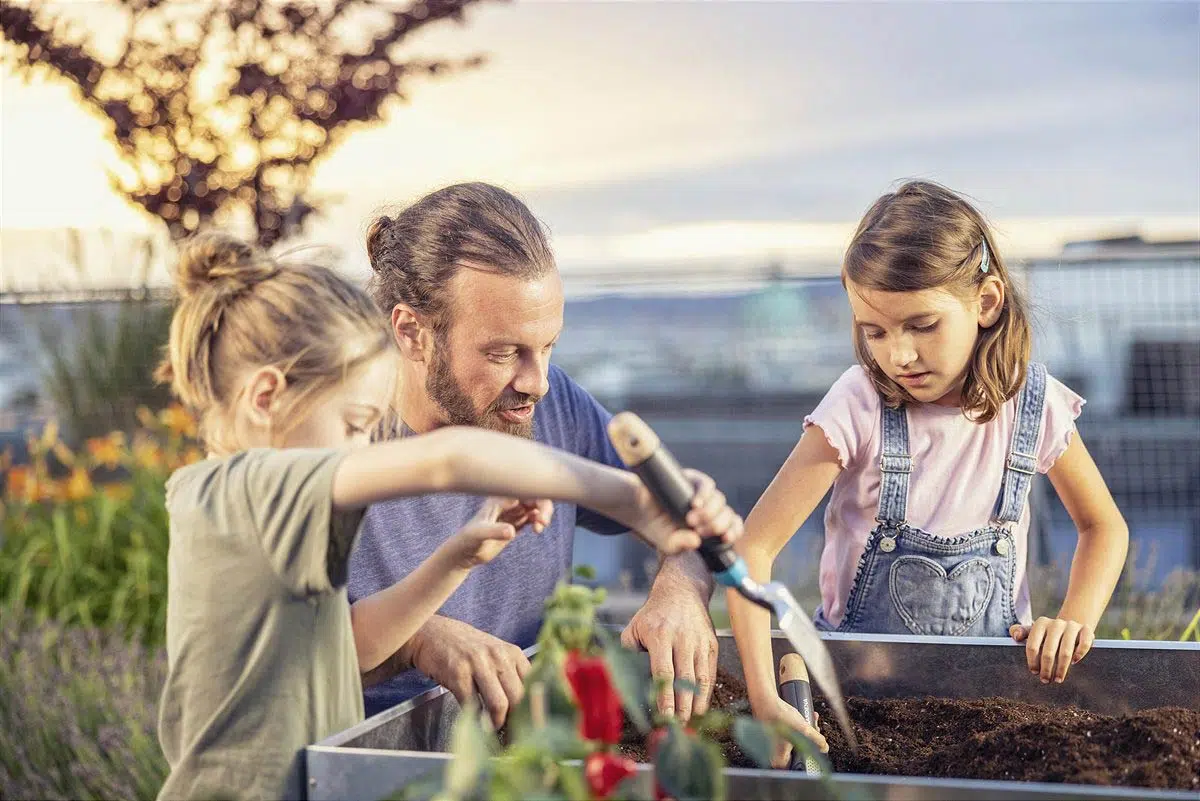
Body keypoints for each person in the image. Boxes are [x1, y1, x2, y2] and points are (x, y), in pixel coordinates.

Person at [153, 231, 744, 801]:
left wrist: (453, 561)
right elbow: (448, 460)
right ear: (265, 398)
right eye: (356, 425)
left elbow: (351, 649)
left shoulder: (276, 507)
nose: (365, 445)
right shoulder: (241, 491)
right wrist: (628, 496)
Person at [728, 180, 1129, 768]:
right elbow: (751, 549)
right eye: (876, 331)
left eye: (922, 325)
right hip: (855, 703)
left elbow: (1103, 527)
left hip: (995, 708)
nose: (899, 356)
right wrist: (764, 694)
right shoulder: (859, 404)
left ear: (986, 302)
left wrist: (1073, 621)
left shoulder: (1032, 404)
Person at [350, 182, 725, 727]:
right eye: (504, 353)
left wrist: (682, 587)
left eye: (548, 346)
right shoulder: (336, 440)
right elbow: (292, 660)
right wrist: (418, 638)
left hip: (532, 743)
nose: (539, 382)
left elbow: (680, 519)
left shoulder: (544, 406)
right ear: (412, 332)